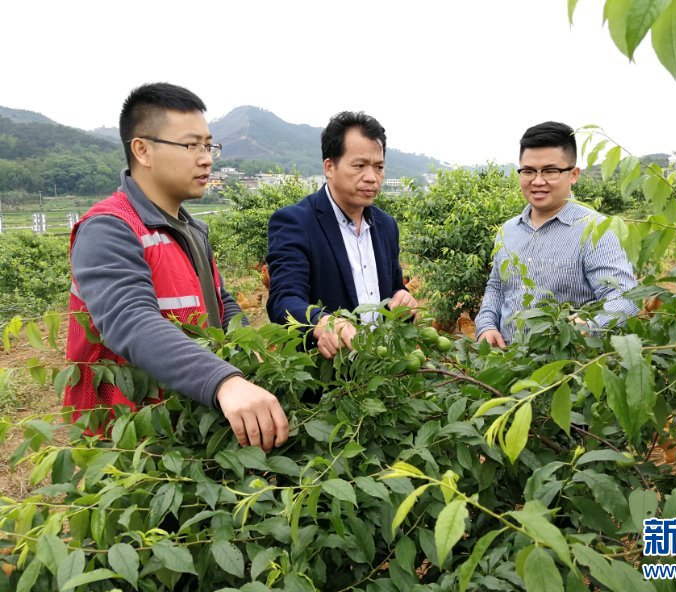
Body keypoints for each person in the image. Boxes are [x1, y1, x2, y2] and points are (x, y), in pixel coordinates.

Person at [65, 82, 288, 452]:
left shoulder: (192, 229)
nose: (206, 159)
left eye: (208, 146)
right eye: (191, 146)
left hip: (188, 427)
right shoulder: (109, 228)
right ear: (143, 150)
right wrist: (223, 381)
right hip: (131, 444)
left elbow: (219, 301)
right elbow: (130, 319)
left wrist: (249, 349)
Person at [266, 111, 417, 359]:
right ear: (330, 167)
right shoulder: (296, 222)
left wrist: (403, 299)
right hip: (325, 372)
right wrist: (321, 322)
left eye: (379, 167)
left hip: (381, 368)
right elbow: (284, 299)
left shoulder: (386, 226)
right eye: (359, 166)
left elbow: (393, 289)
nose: (372, 178)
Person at [475, 121, 639, 347]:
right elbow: (496, 287)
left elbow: (624, 298)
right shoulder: (508, 231)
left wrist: (587, 326)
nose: (537, 181)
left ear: (573, 174)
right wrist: (486, 325)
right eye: (528, 171)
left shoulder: (595, 230)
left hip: (565, 363)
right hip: (506, 361)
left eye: (550, 171)